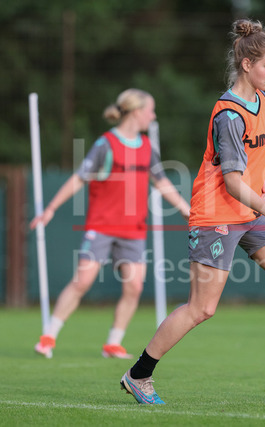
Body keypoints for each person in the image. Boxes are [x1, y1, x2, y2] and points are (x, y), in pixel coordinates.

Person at [120, 19, 265, 405]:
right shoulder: (228, 115)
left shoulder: (264, 101)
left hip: (252, 211)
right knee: (202, 308)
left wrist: (262, 193)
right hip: (217, 215)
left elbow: (255, 162)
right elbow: (232, 182)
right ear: (247, 64)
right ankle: (138, 374)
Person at [31, 88, 191, 359]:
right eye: (150, 111)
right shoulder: (105, 144)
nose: (153, 116)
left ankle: (113, 343)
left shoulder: (146, 147)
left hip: (134, 230)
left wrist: (185, 209)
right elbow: (79, 178)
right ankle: (48, 337)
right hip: (102, 226)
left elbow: (162, 183)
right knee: (82, 282)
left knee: (134, 287)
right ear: (137, 111)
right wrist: (50, 209)